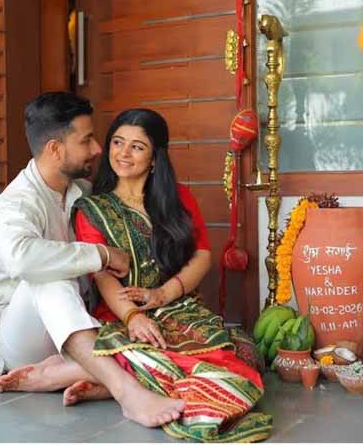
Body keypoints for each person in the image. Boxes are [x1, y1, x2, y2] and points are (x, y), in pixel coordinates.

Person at [0, 92, 185, 428]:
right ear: (55, 149)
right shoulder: (15, 202)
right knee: (49, 278)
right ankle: (127, 393)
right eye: (86, 140)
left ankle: (68, 374)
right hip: (21, 339)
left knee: (162, 333)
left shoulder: (83, 192)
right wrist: (101, 254)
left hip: (79, 325)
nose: (98, 149)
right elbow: (22, 260)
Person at [68, 108, 271, 442]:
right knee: (177, 361)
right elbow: (102, 276)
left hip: (178, 305)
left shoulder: (177, 198)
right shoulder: (93, 209)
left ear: (154, 158)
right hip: (122, 313)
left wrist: (163, 294)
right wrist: (133, 316)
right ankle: (121, 381)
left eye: (137, 146)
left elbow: (202, 255)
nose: (123, 153)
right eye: (118, 142)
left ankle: (105, 379)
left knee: (247, 355)